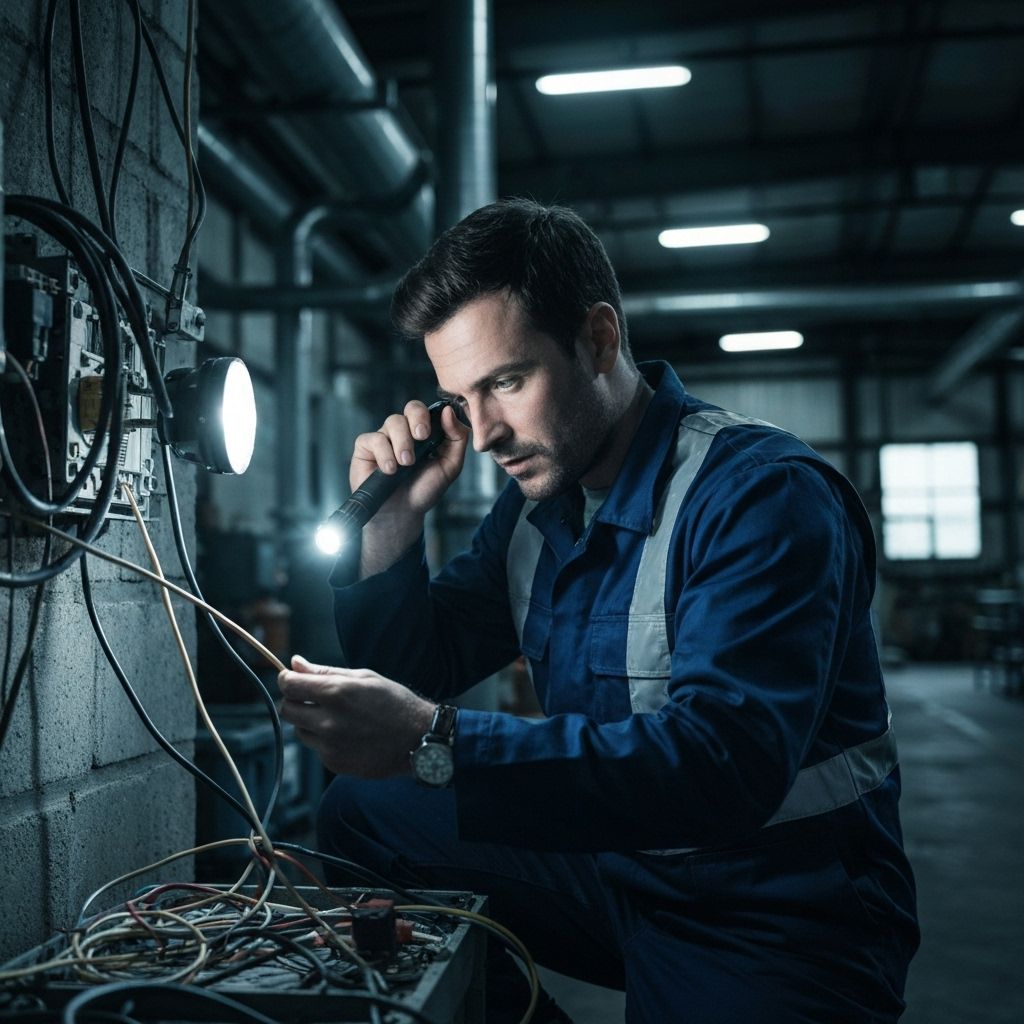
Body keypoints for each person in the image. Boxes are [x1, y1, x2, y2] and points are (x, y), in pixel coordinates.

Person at [277, 198, 919, 1023]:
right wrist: (391, 537)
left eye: (507, 382)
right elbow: (420, 669)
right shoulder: (541, 510)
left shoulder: (761, 496)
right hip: (623, 870)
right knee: (367, 817)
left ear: (600, 340)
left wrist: (435, 742)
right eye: (462, 399)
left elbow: (724, 766)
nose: (482, 435)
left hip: (778, 910)